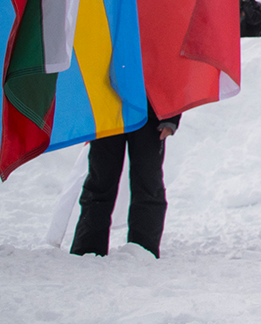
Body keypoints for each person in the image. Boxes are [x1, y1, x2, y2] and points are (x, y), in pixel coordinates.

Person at [71, 107, 181, 257]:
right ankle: (88, 248)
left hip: (150, 112)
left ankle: (144, 249)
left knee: (148, 183)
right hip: (107, 108)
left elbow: (171, 82)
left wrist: (171, 117)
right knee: (100, 181)